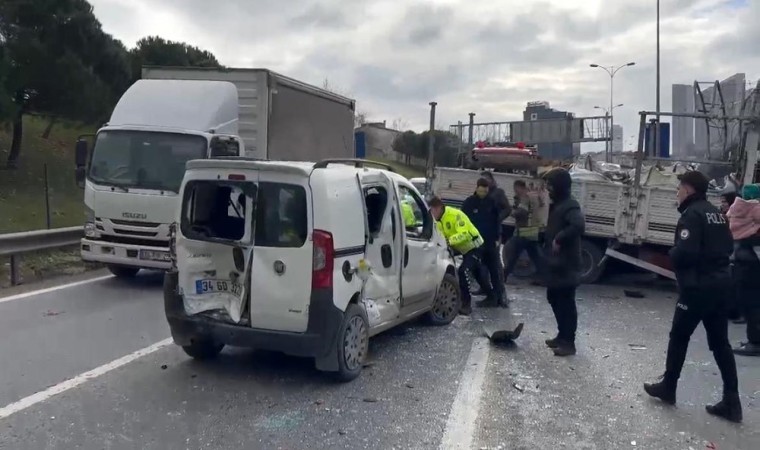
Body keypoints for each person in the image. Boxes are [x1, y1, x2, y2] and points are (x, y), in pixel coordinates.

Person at [643, 170, 742, 423]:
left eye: (679, 188)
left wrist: (673, 252)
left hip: (697, 288)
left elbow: (685, 253)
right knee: (720, 344)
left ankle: (669, 387)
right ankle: (732, 401)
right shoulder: (716, 214)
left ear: (688, 189)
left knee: (679, 336)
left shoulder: (692, 215)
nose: (677, 193)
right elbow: (729, 246)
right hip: (720, 285)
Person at [541, 168, 585, 357]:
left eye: (551, 185)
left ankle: (569, 342)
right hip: (556, 265)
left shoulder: (570, 205)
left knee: (566, 303)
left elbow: (578, 225)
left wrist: (559, 238)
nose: (548, 189)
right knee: (554, 297)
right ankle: (561, 335)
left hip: (567, 265)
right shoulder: (558, 204)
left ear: (559, 186)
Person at [429, 196, 484, 316]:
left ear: (438, 208)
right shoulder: (438, 221)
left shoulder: (455, 215)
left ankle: (466, 305)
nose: (432, 214)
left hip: (474, 246)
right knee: (478, 272)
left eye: (432, 210)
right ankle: (489, 293)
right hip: (461, 248)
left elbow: (464, 234)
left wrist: (449, 241)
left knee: (463, 272)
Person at [462, 178, 507, 307]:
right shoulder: (469, 202)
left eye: (485, 190)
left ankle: (498, 297)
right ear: (477, 188)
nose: (483, 192)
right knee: (476, 270)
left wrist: (498, 237)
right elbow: (463, 221)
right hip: (474, 244)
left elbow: (497, 221)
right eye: (481, 189)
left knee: (494, 271)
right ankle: (490, 294)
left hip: (489, 242)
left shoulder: (492, 202)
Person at [726, 183, 760, 357]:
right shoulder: (754, 212)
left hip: (744, 263)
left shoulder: (738, 210)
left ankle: (755, 342)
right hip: (750, 264)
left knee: (751, 304)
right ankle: (754, 340)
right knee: (753, 304)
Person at [503, 180, 546, 284]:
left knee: (513, 254)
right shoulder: (532, 196)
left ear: (519, 187)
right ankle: (544, 278)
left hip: (524, 230)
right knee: (535, 256)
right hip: (532, 230)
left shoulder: (526, 197)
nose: (515, 191)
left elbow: (521, 213)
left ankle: (503, 276)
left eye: (515, 189)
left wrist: (511, 211)